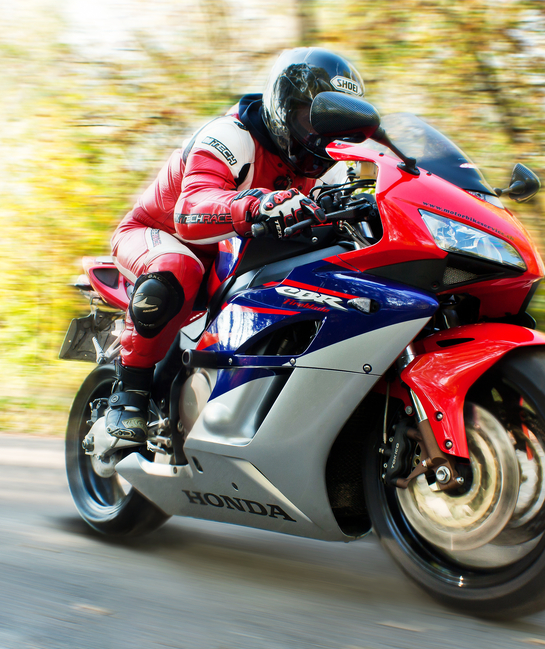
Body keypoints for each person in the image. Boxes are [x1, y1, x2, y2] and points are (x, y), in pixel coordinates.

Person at [105, 47, 367, 444]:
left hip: (233, 254)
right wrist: (258, 203)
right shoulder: (230, 136)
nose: (321, 140)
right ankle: (130, 395)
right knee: (179, 268)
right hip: (160, 236)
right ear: (283, 108)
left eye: (333, 130)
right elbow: (189, 211)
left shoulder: (326, 166)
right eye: (309, 122)